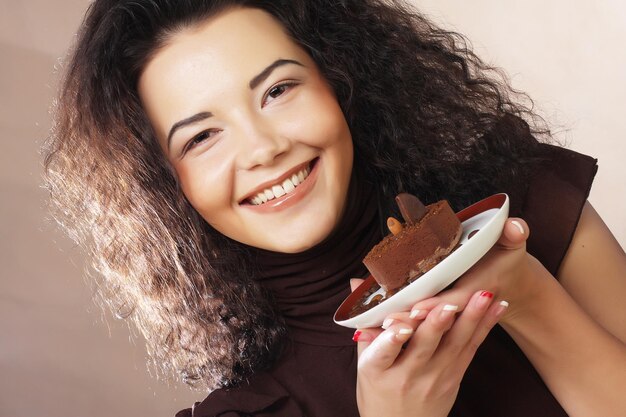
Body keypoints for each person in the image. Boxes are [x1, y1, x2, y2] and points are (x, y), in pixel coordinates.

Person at [43, 0, 626, 416]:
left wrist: (524, 293)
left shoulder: (523, 202)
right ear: (167, 186)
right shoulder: (247, 410)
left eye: (278, 90)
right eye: (201, 137)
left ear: (342, 80)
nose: (265, 148)